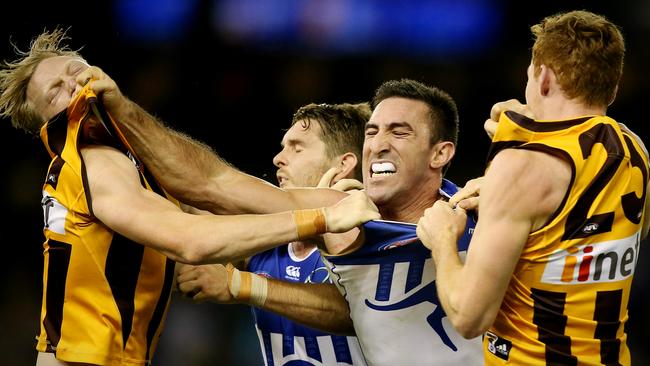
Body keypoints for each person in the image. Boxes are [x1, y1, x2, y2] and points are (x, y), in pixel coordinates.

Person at [0, 28, 379, 366]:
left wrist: (320, 213)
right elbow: (194, 233)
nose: (75, 84)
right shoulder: (94, 163)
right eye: (56, 90)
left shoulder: (125, 166)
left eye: (77, 70)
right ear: (46, 122)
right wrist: (324, 217)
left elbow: (212, 188)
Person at [92, 73, 483, 364]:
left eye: (399, 133)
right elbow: (210, 185)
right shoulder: (343, 215)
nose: (378, 144)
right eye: (372, 132)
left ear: (440, 154)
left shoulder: (479, 212)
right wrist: (118, 117)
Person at [416, 10, 649, 365]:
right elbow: (630, 229)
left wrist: (442, 238)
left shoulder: (520, 168)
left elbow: (468, 317)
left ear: (542, 78)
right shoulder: (635, 149)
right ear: (613, 89)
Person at [177, 102, 371, 365]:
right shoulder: (266, 239)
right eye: (283, 147)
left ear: (343, 164)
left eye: (297, 147)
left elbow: (357, 311)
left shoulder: (373, 234)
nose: (278, 158)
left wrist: (238, 284)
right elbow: (194, 197)